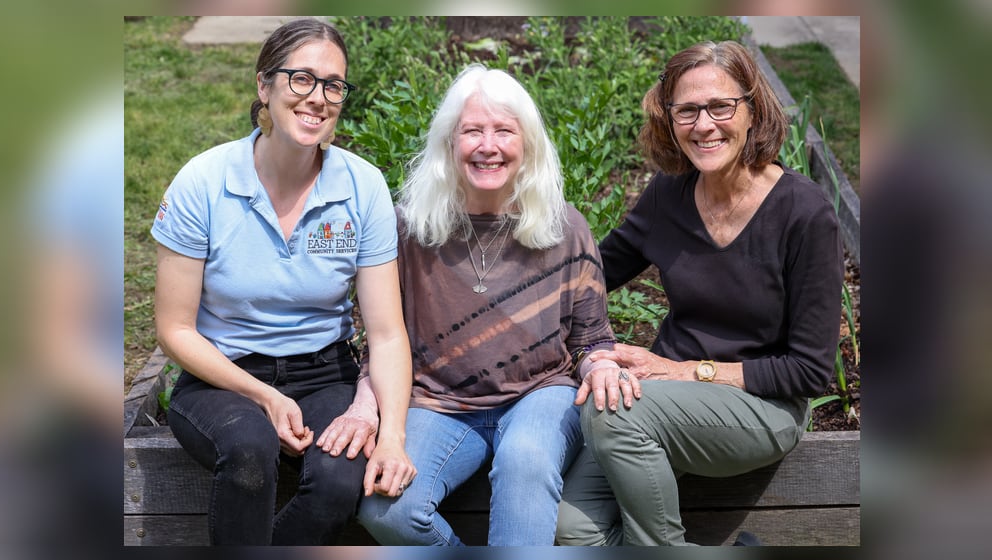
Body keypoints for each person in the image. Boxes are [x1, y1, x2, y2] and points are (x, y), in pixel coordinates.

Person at [555, 40, 843, 546]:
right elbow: (590, 274)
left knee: (613, 410)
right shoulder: (669, 194)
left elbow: (811, 371)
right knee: (574, 530)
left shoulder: (804, 213)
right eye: (687, 110)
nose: (704, 125)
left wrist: (689, 371)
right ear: (669, 119)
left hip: (763, 406)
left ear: (753, 110)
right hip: (664, 402)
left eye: (721, 106)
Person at [151, 18, 415, 545]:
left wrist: (392, 436)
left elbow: (386, 334)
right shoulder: (203, 182)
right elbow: (173, 330)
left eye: (333, 85)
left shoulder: (361, 187)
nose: (318, 98)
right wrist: (264, 397)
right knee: (250, 454)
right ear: (263, 86)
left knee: (342, 479)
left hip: (324, 373)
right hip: (221, 375)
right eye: (301, 79)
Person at [355, 63, 621, 546]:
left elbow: (592, 338)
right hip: (437, 401)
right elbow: (380, 334)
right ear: (448, 143)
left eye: (504, 130)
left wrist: (602, 365)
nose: (488, 145)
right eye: (472, 130)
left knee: (525, 460)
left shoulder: (565, 226)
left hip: (540, 393)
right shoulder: (407, 228)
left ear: (528, 143)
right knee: (386, 509)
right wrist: (365, 400)